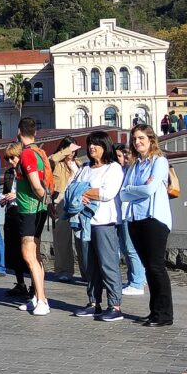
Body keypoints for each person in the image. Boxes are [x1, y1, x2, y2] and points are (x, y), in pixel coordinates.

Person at [69, 131, 126, 322]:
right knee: (89, 265)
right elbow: (71, 189)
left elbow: (107, 193)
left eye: (96, 144)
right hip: (85, 222)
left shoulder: (113, 168)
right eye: (90, 144)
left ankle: (115, 305)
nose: (92, 147)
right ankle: (94, 302)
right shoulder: (84, 168)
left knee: (107, 264)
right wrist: (83, 193)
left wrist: (84, 191)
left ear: (105, 146)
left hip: (104, 222)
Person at [122, 124, 175, 327]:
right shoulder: (135, 165)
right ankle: (154, 311)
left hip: (154, 219)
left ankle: (165, 314)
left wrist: (132, 190)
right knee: (148, 268)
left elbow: (149, 189)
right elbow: (123, 192)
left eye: (141, 138)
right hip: (136, 219)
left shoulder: (159, 162)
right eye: (135, 139)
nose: (137, 142)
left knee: (156, 266)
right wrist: (136, 189)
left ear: (151, 139)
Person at [13, 117, 53, 316]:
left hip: (29, 210)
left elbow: (36, 185)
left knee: (29, 255)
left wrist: (46, 201)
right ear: (35, 132)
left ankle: (43, 300)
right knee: (35, 255)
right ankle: (37, 296)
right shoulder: (41, 152)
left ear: (19, 132)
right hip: (38, 209)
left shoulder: (28, 154)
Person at [114, 143, 147, 296]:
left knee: (131, 248)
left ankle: (138, 282)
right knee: (126, 248)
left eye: (125, 155)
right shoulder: (125, 170)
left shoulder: (132, 170)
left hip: (129, 213)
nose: (124, 158)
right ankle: (133, 279)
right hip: (122, 213)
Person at [49, 137, 81, 283]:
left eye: (74, 150)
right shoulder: (58, 164)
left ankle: (86, 270)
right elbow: (50, 160)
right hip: (60, 201)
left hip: (78, 201)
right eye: (70, 149)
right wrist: (66, 151)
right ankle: (63, 269)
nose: (72, 153)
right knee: (62, 238)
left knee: (81, 238)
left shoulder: (79, 164)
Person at [1, 144, 30, 297]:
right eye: (8, 158)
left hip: (23, 211)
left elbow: (33, 191)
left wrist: (16, 195)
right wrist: (4, 198)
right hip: (11, 211)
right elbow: (6, 192)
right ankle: (20, 283)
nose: (11, 161)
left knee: (26, 249)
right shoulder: (9, 173)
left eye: (13, 157)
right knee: (13, 249)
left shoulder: (27, 172)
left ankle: (33, 285)